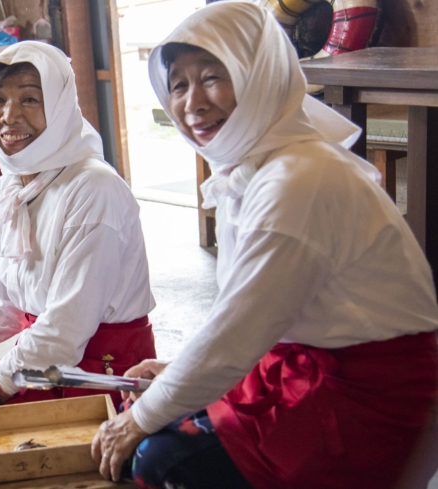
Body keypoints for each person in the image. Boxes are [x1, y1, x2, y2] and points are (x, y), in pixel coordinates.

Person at [90, 3, 438, 489]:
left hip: (366, 395)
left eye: (212, 76)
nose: (193, 102)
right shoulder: (258, 164)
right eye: (178, 85)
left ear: (259, 74)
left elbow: (235, 335)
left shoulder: (295, 179)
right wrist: (171, 380)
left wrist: (140, 419)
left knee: (162, 459)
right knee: (157, 419)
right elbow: (247, 319)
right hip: (305, 362)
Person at [0, 40, 157, 412]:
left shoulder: (94, 189)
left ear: (61, 107)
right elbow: (2, 300)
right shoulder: (8, 188)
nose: (9, 116)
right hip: (40, 362)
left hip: (100, 376)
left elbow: (65, 329)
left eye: (30, 99)